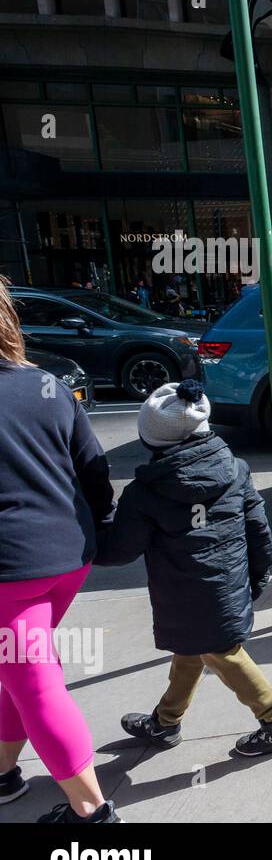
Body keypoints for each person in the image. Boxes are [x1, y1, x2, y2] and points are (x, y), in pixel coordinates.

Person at [95, 381, 272, 758]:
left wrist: (86, 534)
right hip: (227, 585)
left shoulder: (145, 493)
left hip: (182, 593)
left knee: (223, 653)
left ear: (154, 440)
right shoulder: (235, 470)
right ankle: (166, 721)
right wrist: (258, 576)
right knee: (193, 650)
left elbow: (119, 550)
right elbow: (258, 528)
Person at [0, 278, 118, 823]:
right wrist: (107, 526)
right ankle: (3, 772)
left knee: (36, 682)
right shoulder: (46, 383)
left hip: (12, 570)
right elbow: (95, 469)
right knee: (20, 670)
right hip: (69, 556)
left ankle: (93, 814)